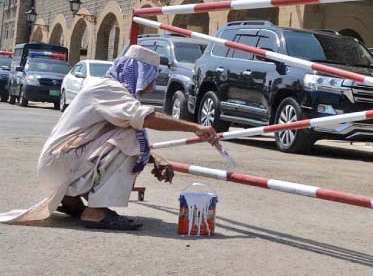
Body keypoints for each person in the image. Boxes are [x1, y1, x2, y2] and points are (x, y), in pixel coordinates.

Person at [0, 45, 219, 230]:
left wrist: (154, 157)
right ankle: (95, 212)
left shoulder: (109, 91)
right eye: (152, 77)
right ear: (141, 74)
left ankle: (70, 199)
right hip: (61, 163)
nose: (152, 85)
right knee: (131, 134)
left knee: (132, 134)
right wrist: (194, 127)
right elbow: (145, 118)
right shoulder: (108, 89)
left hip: (60, 163)